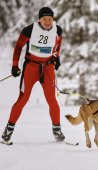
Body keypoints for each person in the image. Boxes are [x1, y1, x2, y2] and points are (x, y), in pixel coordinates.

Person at [1, 7, 65, 143]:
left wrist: (56, 57)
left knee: (52, 100)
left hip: (47, 68)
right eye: (44, 19)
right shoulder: (29, 30)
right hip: (31, 67)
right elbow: (18, 47)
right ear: (39, 19)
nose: (47, 22)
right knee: (23, 99)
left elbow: (57, 45)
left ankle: (57, 131)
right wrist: (14, 65)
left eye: (50, 19)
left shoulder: (57, 30)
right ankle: (8, 130)